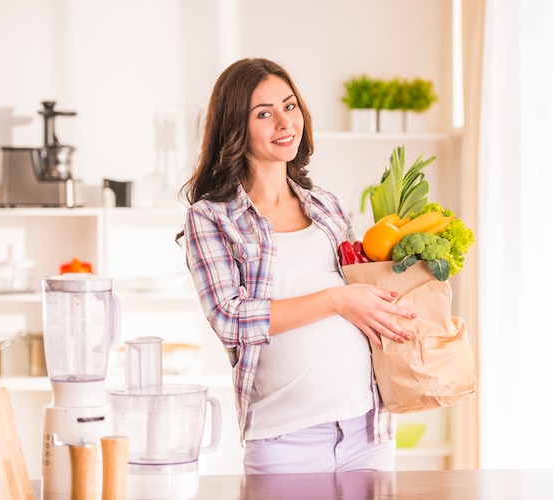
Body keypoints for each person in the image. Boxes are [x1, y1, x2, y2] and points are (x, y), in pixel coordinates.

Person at [176, 58, 416, 474]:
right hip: (285, 439)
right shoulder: (211, 217)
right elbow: (229, 319)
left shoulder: (326, 205)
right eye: (264, 114)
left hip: (367, 431)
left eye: (289, 106)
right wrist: (337, 301)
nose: (284, 122)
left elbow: (362, 290)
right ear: (235, 128)